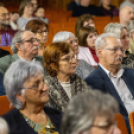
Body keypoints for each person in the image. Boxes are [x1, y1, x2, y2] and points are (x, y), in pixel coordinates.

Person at [85, 33, 134, 133]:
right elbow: (103, 119)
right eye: (114, 49)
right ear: (100, 52)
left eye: (121, 49)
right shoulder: (92, 82)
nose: (120, 53)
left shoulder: (131, 73)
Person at [2, 60, 62, 134]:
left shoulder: (59, 116)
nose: (45, 88)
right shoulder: (7, 127)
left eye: (43, 81)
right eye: (36, 84)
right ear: (20, 95)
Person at [43, 42, 91, 111]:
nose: (74, 61)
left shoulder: (81, 82)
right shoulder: (45, 88)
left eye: (73, 57)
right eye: (66, 59)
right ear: (54, 65)